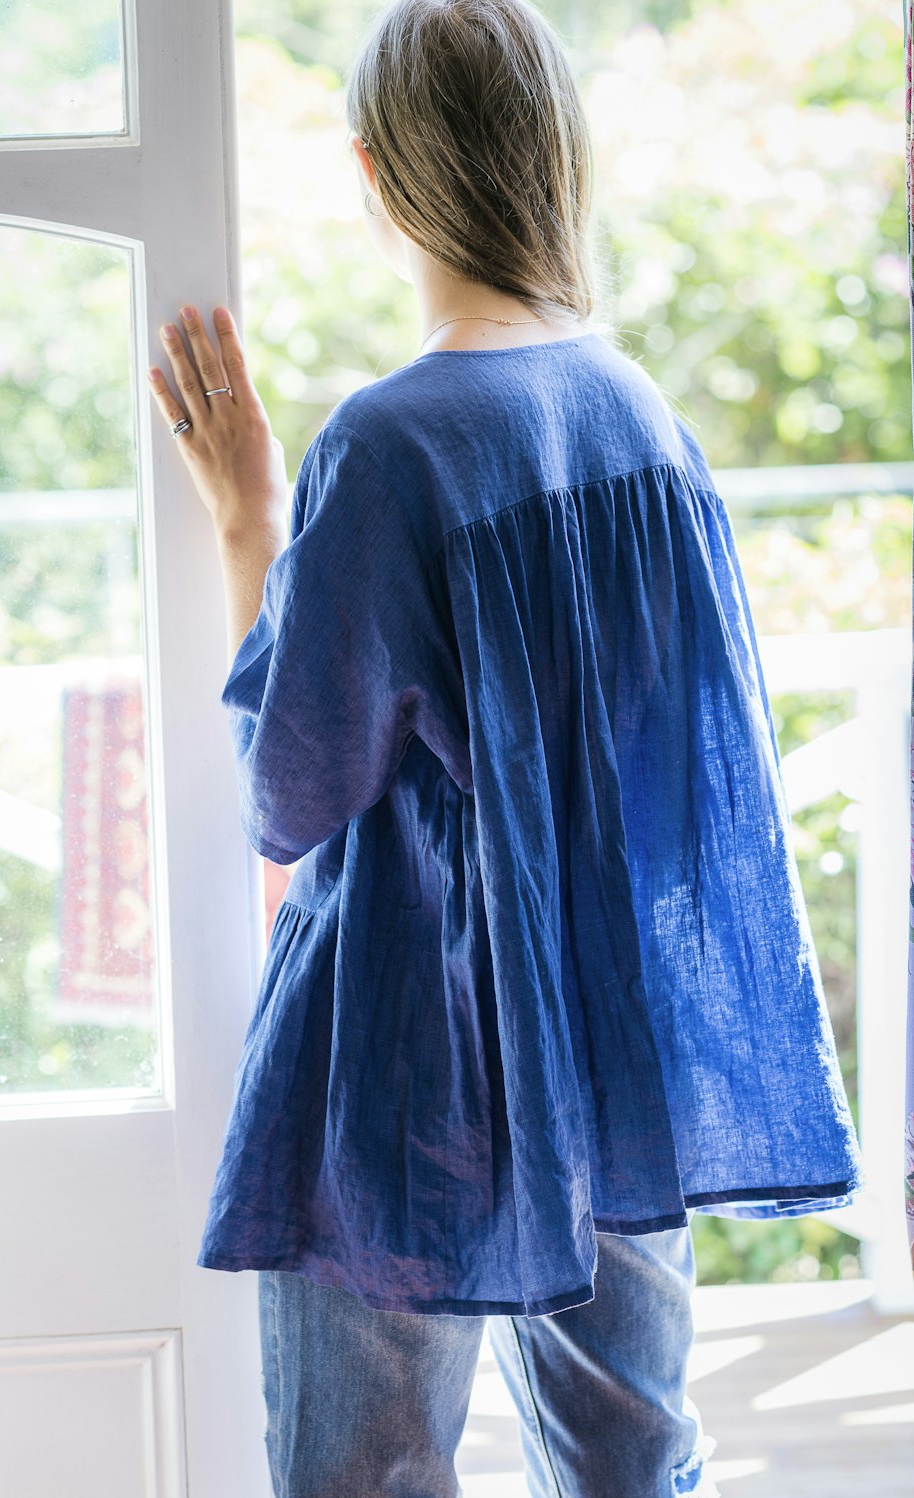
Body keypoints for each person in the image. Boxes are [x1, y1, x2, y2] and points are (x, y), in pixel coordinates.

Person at [148, 1, 866, 1492]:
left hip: (413, 1066)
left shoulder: (389, 444)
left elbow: (293, 785)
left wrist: (245, 522)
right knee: (633, 1454)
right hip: (617, 1040)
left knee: (368, 1470)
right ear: (556, 159)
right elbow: (698, 781)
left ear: (374, 171)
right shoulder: (642, 417)